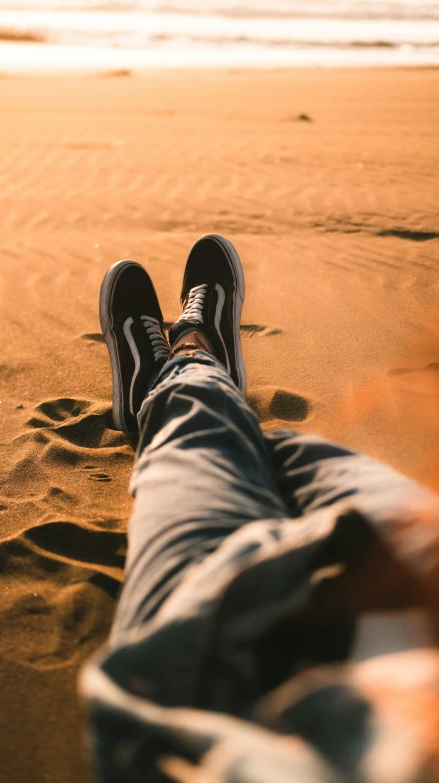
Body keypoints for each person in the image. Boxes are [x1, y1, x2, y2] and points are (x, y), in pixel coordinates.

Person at [80, 235, 439, 783]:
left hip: (205, 656)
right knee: (297, 453)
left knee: (199, 429)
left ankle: (181, 367)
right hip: (414, 568)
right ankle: (193, 362)